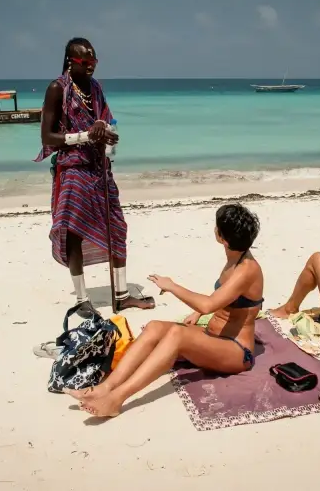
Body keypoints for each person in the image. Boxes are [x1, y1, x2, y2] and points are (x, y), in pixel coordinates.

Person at [64, 203, 264, 418]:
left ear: (222, 238)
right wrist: (199, 314)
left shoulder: (247, 269)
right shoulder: (236, 259)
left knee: (177, 334)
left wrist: (172, 286)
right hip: (215, 337)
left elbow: (208, 304)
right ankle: (106, 386)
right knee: (155, 327)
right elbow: (227, 298)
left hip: (236, 351)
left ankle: (116, 399)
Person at [34, 37, 155, 315]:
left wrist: (106, 132)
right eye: (85, 62)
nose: (90, 67)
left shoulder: (96, 88)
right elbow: (47, 136)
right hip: (73, 167)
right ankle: (81, 300)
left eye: (94, 62)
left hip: (99, 168)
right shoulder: (57, 89)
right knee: (74, 230)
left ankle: (122, 294)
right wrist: (85, 135)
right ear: (70, 61)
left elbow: (107, 123)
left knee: (117, 226)